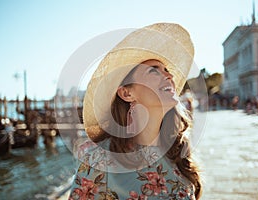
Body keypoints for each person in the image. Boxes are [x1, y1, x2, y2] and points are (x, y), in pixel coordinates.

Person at [69, 23, 202, 200]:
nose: (169, 76)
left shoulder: (177, 150)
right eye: (154, 71)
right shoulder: (99, 159)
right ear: (126, 93)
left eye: (167, 70)